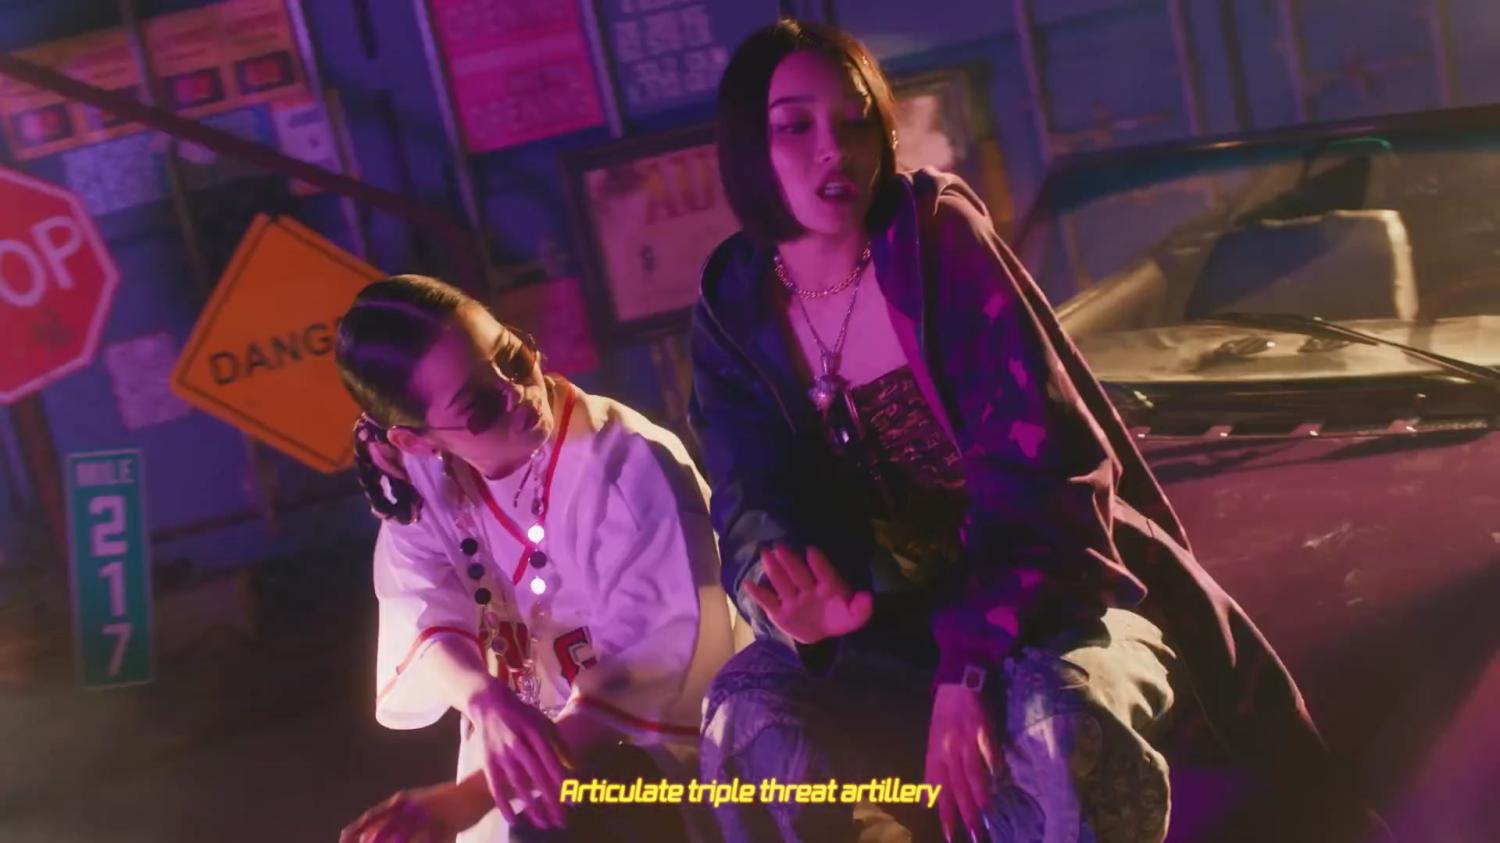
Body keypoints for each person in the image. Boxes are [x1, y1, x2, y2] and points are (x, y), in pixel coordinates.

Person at [690, 18, 1385, 843]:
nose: (833, 150)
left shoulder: (937, 237)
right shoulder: (733, 306)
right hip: (889, 628)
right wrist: (794, 608)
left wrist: (966, 668)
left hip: (1050, 596)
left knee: (1059, 722)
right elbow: (749, 495)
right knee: (745, 713)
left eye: (854, 120)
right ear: (749, 147)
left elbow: (1046, 473)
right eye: (794, 126)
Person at [333, 275, 739, 842]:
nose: (516, 392)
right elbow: (421, 607)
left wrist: (468, 799)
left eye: (513, 356)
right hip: (514, 768)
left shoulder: (624, 467)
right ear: (416, 440)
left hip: (661, 760)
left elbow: (650, 668)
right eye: (477, 405)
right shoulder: (421, 481)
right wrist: (484, 699)